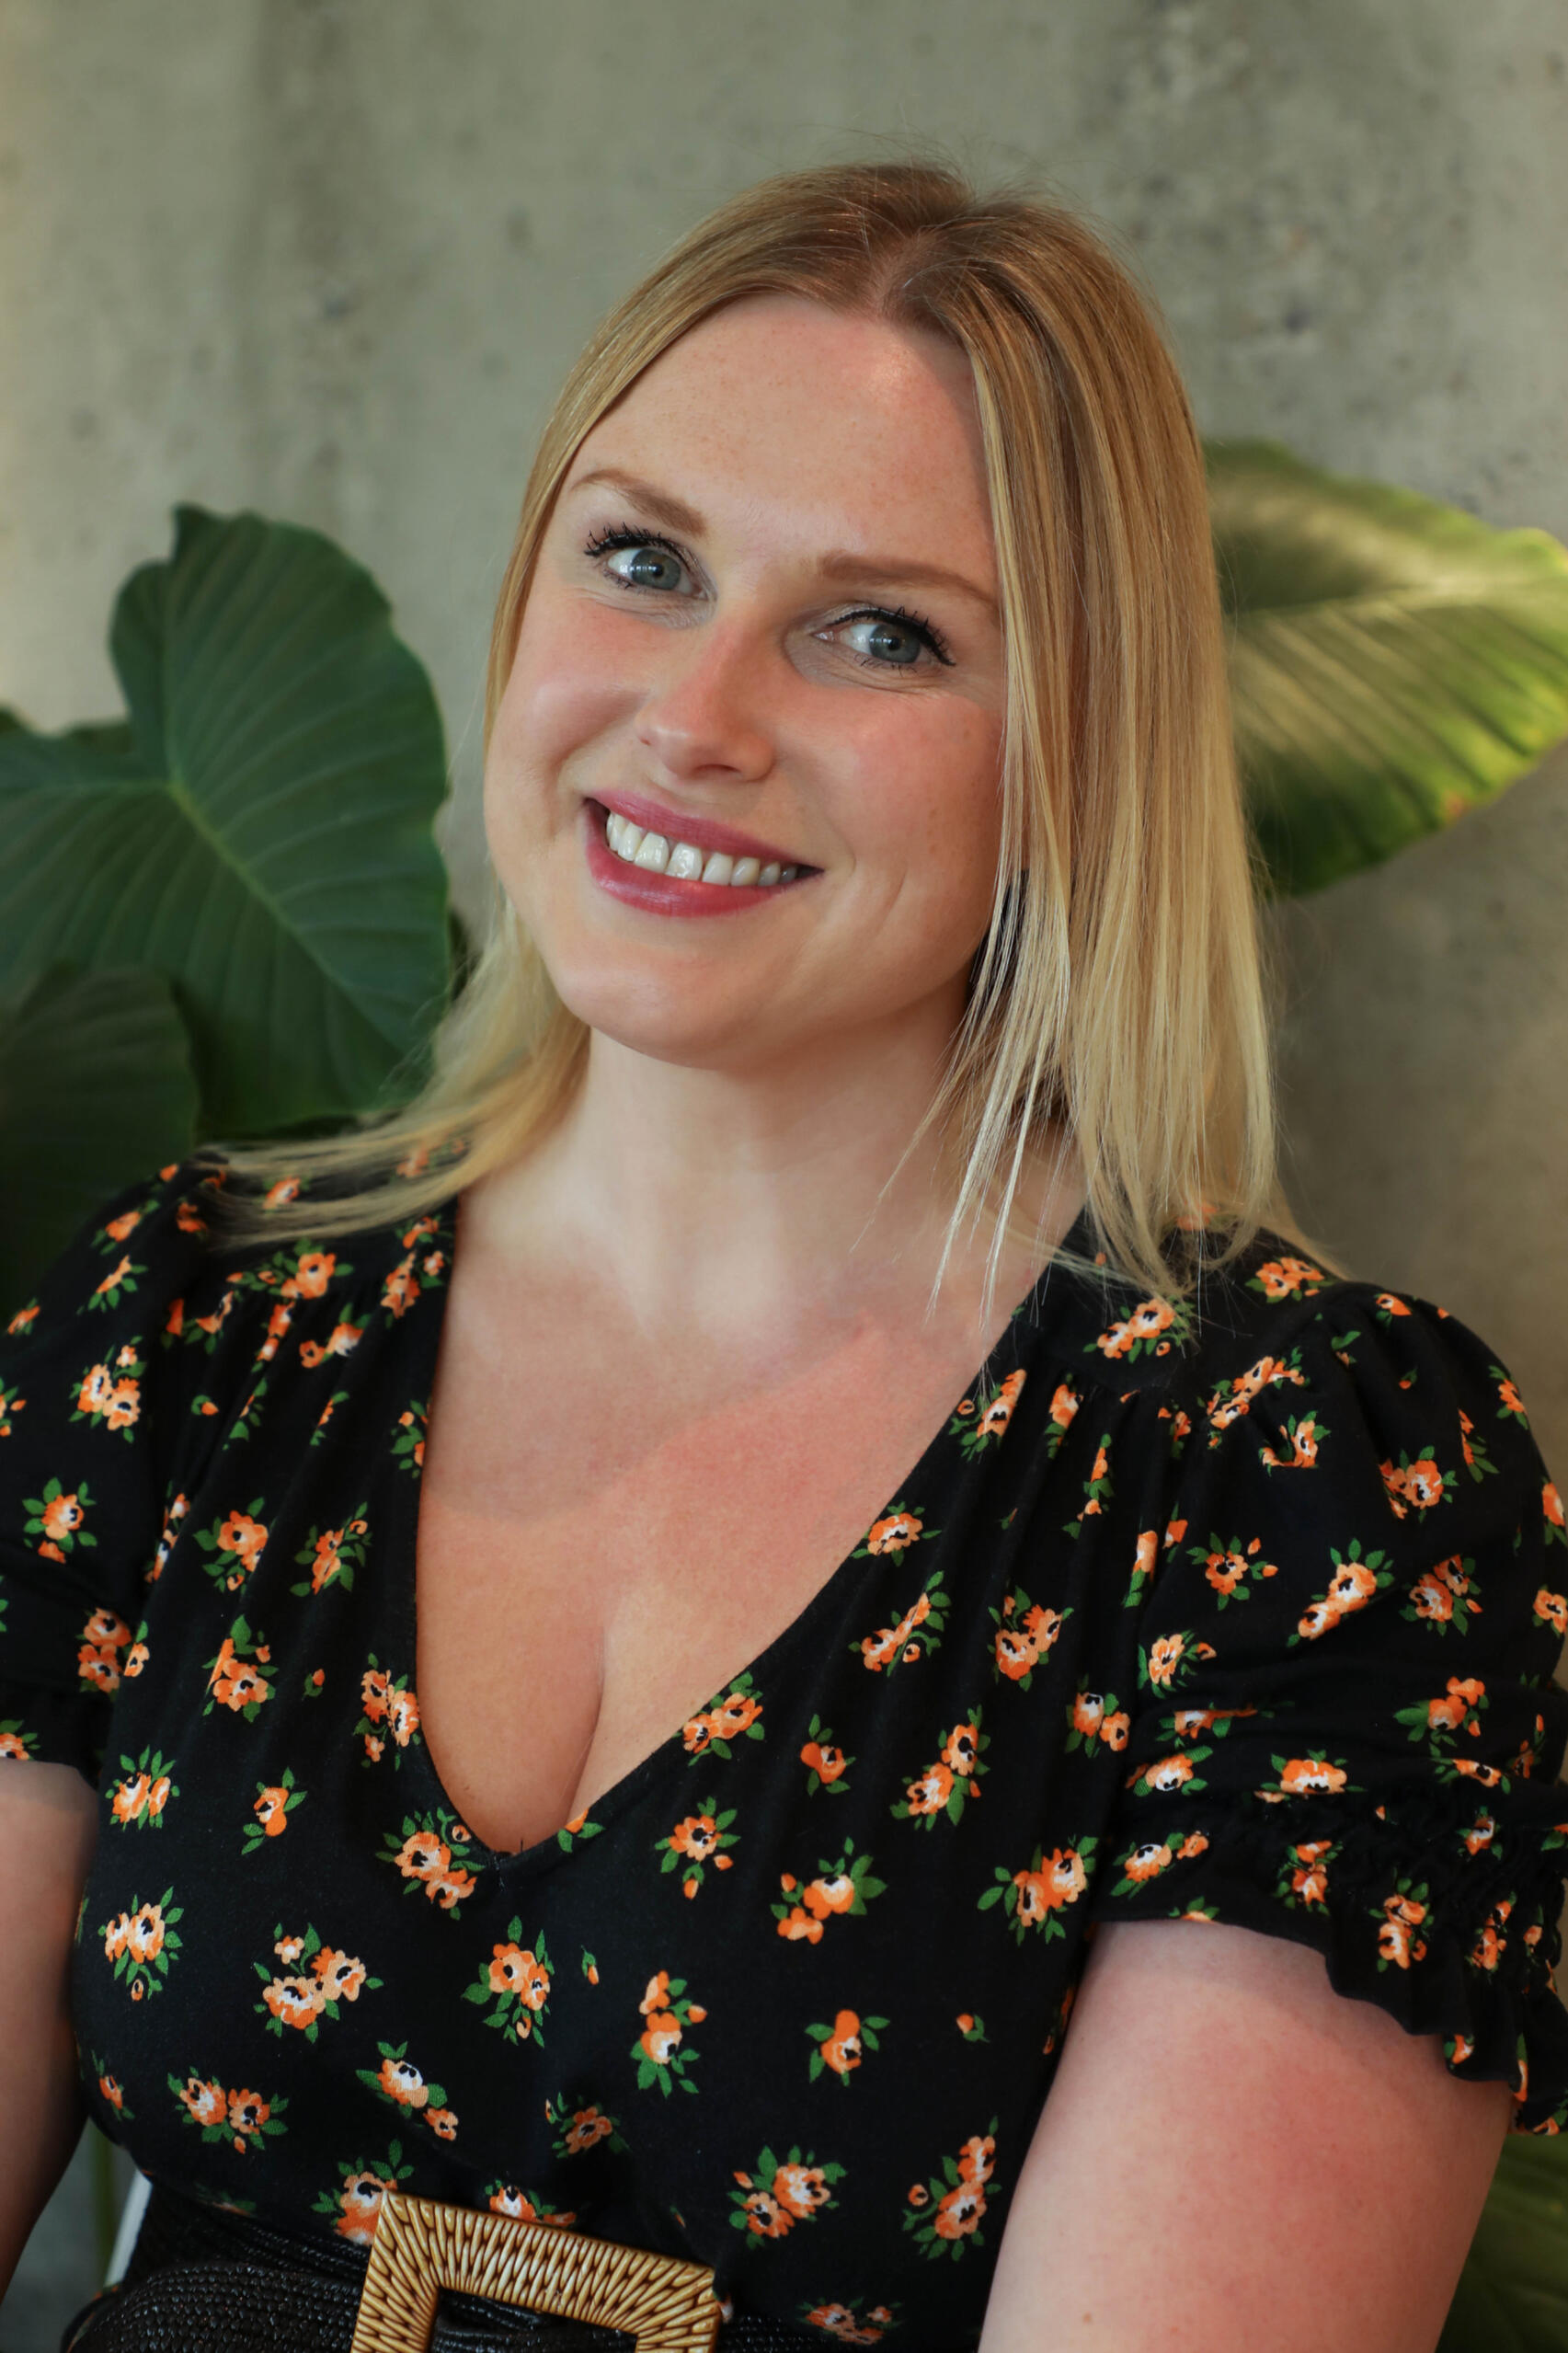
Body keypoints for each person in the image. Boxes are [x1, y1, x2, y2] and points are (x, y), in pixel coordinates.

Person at [2, 161, 1564, 2353]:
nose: (698, 712)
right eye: (641, 561)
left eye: (878, 630)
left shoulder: (1290, 1480)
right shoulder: (190, 1328)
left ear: (1075, 757)